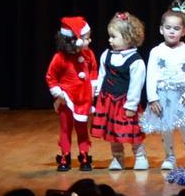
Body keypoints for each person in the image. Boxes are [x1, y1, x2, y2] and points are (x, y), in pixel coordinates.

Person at [140, 0, 185, 170]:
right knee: (166, 129)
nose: (172, 32)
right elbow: (150, 75)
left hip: (182, 97)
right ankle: (170, 157)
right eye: (168, 28)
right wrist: (152, 98)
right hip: (162, 97)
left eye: (176, 29)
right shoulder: (156, 51)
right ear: (161, 29)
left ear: (183, 31)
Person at [91, 12, 148, 171]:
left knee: (132, 130)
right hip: (108, 100)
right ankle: (117, 157)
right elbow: (102, 74)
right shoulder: (106, 55)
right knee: (112, 132)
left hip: (125, 102)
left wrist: (131, 105)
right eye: (110, 36)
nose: (109, 40)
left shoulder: (136, 61)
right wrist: (98, 95)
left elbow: (136, 85)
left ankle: (140, 155)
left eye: (113, 36)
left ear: (128, 38)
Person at [45, 16, 95, 172]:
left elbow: (93, 71)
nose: (90, 40)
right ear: (75, 40)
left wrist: (93, 87)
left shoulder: (89, 55)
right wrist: (58, 93)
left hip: (83, 99)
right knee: (66, 129)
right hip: (67, 100)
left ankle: (84, 155)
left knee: (82, 129)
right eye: (86, 38)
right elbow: (50, 77)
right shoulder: (59, 58)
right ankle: (65, 155)